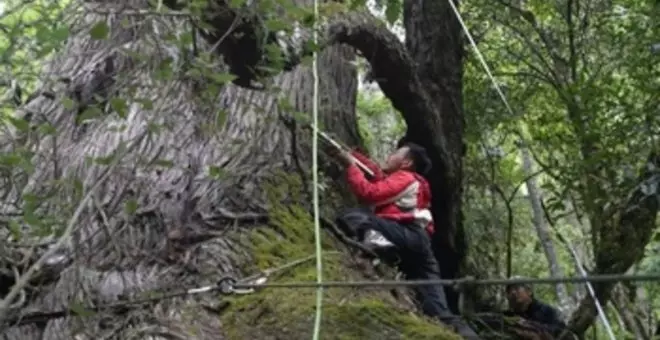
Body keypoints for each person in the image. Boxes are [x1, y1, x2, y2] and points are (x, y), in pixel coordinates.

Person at [330, 142, 481, 339]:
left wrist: (350, 165)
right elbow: (375, 173)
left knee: (353, 216)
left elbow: (369, 193)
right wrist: (352, 156)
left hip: (406, 233)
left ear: (406, 162)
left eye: (395, 153)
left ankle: (380, 242)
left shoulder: (405, 177)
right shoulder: (403, 179)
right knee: (437, 307)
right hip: (420, 243)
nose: (389, 156)